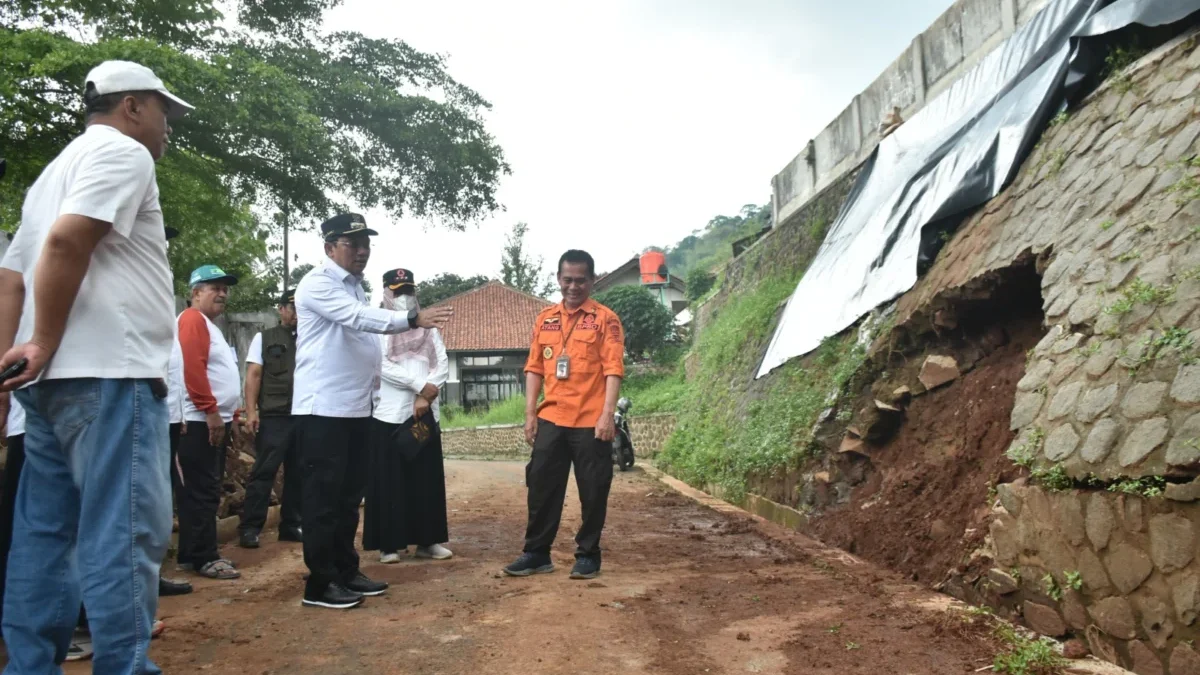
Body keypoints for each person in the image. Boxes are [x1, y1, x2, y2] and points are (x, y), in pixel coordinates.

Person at [0, 60, 191, 674]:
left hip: (48, 387)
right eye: (164, 112)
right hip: (110, 372)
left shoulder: (51, 175)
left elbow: (10, 280)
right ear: (131, 106)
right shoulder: (123, 154)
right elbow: (65, 243)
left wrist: (14, 363)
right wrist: (48, 339)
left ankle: (29, 667)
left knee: (46, 537)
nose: (168, 128)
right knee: (124, 530)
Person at [292, 214, 452, 610]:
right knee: (323, 500)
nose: (362, 251)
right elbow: (359, 320)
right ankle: (321, 584)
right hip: (322, 409)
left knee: (348, 499)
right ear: (330, 248)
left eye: (366, 243)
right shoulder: (318, 284)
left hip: (355, 408)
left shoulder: (355, 288)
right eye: (352, 243)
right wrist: (412, 318)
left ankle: (347, 571)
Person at [504, 250, 624, 581]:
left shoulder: (605, 319)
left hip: (590, 421)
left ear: (593, 280)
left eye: (581, 280)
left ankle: (588, 555)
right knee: (541, 486)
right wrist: (530, 413)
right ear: (558, 278)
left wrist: (607, 414)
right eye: (567, 279)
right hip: (552, 418)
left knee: (594, 489)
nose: (573, 287)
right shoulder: (545, 319)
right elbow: (534, 368)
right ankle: (536, 553)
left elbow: (613, 369)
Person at [364, 269, 452, 564]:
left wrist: (425, 395)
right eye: (398, 291)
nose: (404, 297)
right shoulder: (379, 328)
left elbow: (442, 364)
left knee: (426, 481)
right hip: (390, 414)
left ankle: (428, 542)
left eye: (408, 291)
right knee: (389, 482)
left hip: (424, 415)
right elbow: (382, 365)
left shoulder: (430, 328)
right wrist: (418, 386)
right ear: (387, 292)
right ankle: (388, 544)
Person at [176, 265, 242, 580]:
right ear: (195, 292)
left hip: (212, 417)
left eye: (224, 288)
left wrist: (233, 411)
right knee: (202, 489)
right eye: (213, 287)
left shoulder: (208, 325)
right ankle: (204, 556)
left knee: (204, 488)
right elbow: (193, 367)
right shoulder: (192, 319)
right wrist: (210, 410)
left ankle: (193, 553)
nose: (221, 293)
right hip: (200, 419)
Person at [239, 291, 304, 548]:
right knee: (264, 471)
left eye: (301, 307)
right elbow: (253, 375)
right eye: (292, 307)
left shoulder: (312, 337)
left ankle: (290, 525)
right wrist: (251, 411)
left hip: (302, 414)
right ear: (281, 309)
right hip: (274, 416)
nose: (296, 313)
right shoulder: (264, 338)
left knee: (298, 473)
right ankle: (250, 528)